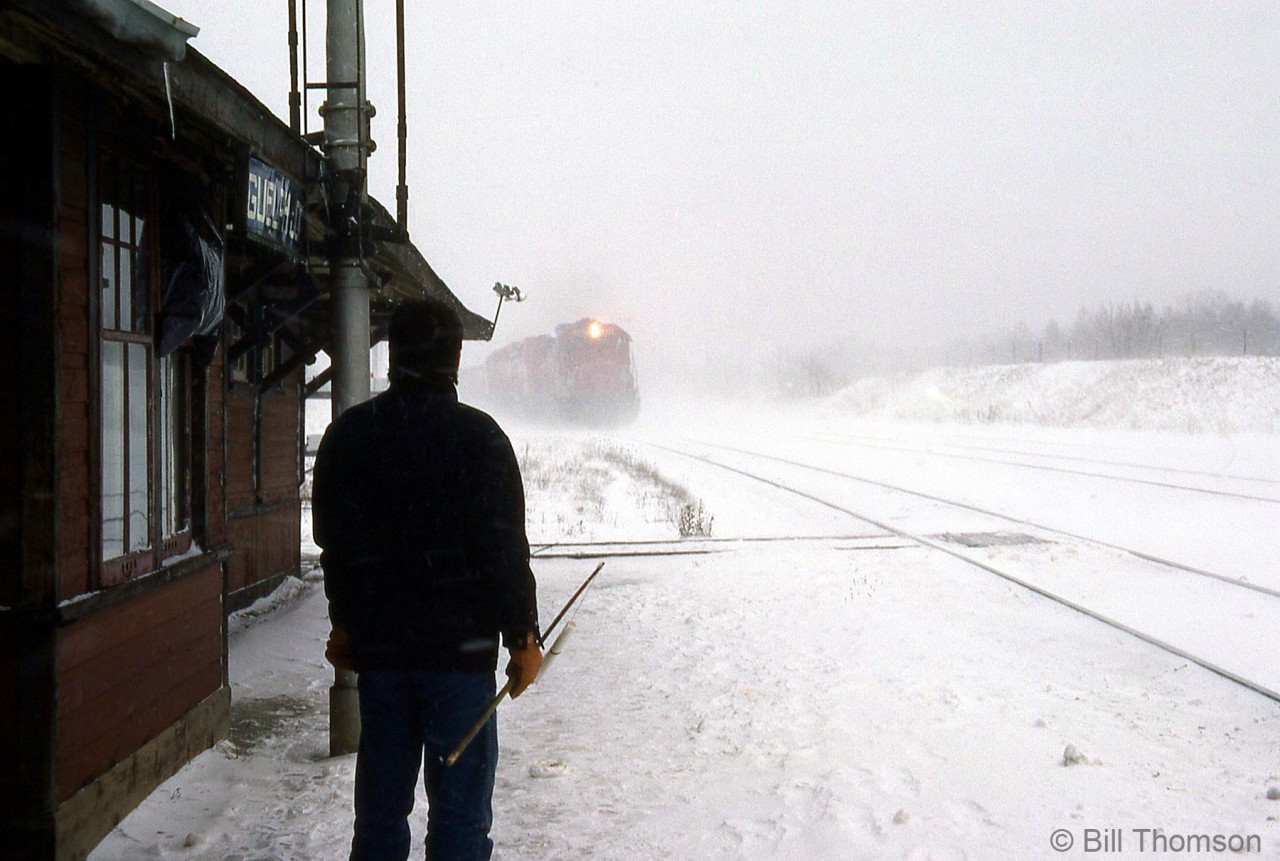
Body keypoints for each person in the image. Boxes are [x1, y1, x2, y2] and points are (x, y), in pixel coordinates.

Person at [312, 297, 543, 861]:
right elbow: (503, 548)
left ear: (393, 354)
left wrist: (345, 622)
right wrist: (524, 637)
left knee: (381, 816)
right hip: (459, 660)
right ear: (455, 359)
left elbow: (336, 546)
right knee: (461, 819)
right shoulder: (481, 439)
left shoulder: (351, 436)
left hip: (383, 657)